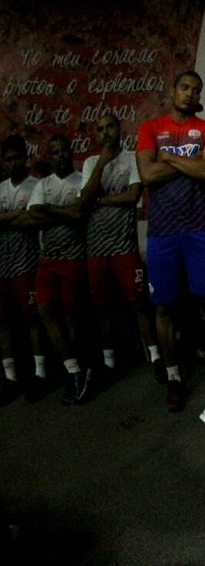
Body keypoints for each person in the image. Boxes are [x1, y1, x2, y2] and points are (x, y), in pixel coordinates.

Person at [136, 70, 205, 413]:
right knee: (165, 307)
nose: (190, 94)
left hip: (201, 229)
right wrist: (189, 162)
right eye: (184, 88)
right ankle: (175, 377)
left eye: (196, 90)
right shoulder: (151, 128)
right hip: (163, 233)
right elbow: (147, 175)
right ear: (173, 90)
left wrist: (168, 158)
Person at [77, 114, 158, 384]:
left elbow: (133, 195)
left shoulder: (132, 158)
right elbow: (84, 200)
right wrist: (101, 162)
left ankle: (155, 355)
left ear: (119, 129)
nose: (105, 133)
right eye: (99, 129)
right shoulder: (91, 163)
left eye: (109, 127)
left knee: (137, 303)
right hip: (96, 249)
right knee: (101, 307)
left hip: (124, 246)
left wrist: (101, 199)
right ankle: (109, 362)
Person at [27, 134, 91, 405]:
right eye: (54, 152)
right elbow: (33, 214)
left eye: (63, 150)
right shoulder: (43, 184)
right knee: (45, 311)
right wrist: (63, 211)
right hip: (48, 260)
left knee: (71, 316)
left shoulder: (81, 180)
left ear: (70, 151)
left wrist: (50, 211)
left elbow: (80, 215)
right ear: (49, 156)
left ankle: (80, 371)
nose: (60, 155)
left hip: (74, 257)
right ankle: (72, 368)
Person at [0, 135, 46, 404]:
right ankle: (10, 378)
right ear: (3, 163)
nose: (13, 163)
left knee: (33, 321)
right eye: (8, 159)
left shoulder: (36, 186)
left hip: (27, 265)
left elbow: (32, 218)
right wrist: (16, 216)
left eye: (18, 158)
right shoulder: (1, 188)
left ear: (25, 160)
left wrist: (8, 219)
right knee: (3, 323)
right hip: (2, 269)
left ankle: (39, 374)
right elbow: (22, 216)